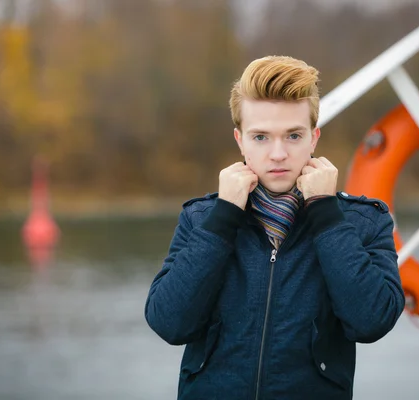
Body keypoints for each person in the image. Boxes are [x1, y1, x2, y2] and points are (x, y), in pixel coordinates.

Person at [145, 55, 405, 400]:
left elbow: (372, 321)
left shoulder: (363, 221)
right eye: (261, 138)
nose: (278, 154)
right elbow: (169, 323)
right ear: (240, 140)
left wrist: (326, 214)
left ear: (313, 138)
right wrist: (223, 217)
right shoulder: (202, 218)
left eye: (293, 136)